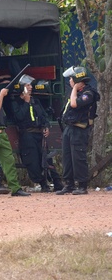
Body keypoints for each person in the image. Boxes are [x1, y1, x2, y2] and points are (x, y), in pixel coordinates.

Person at [12, 74, 63, 192]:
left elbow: (43, 115)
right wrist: (26, 102)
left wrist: (46, 126)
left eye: (30, 85)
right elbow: (19, 117)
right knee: (33, 161)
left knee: (47, 158)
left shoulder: (36, 101)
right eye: (27, 85)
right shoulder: (16, 102)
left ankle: (57, 182)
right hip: (27, 135)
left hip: (39, 135)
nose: (30, 87)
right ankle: (43, 183)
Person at [56, 66, 99, 195]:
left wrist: (74, 88)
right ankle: (69, 184)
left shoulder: (89, 93)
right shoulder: (75, 93)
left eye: (71, 79)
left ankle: (82, 185)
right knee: (67, 157)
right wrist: (74, 89)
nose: (69, 81)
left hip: (80, 129)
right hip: (69, 128)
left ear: (77, 80)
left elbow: (75, 104)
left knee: (78, 157)